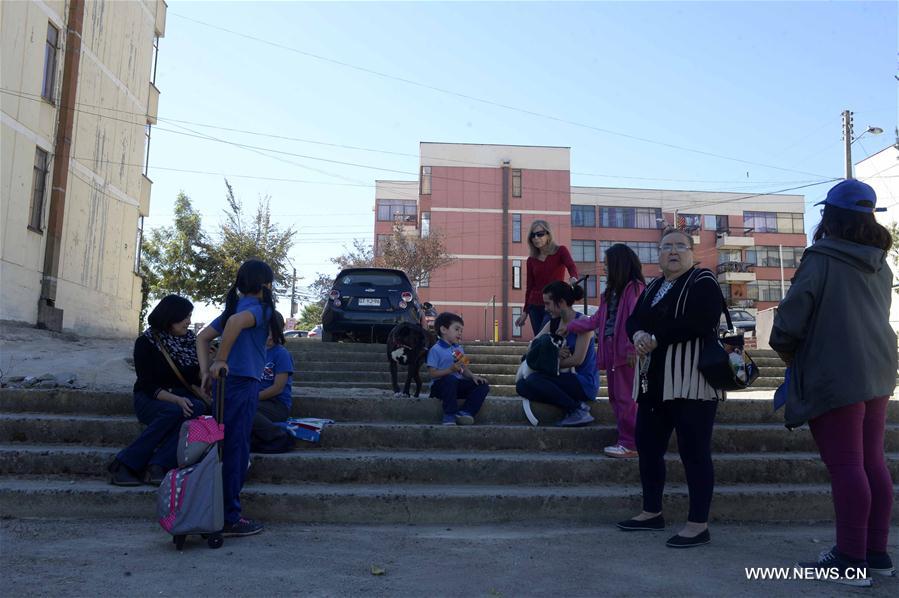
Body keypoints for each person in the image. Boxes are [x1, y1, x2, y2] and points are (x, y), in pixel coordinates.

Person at [769, 179, 896, 585]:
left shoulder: (821, 257)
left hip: (835, 374)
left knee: (846, 467)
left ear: (830, 215)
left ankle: (849, 560)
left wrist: (789, 351)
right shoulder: (880, 262)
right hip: (877, 371)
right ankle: (876, 555)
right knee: (873, 463)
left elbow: (789, 322)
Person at [620, 228, 723, 549]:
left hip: (692, 381)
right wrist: (636, 334)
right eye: (667, 247)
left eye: (681, 246)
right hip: (654, 381)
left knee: (694, 452)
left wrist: (656, 337)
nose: (673, 251)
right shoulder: (653, 286)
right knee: (648, 448)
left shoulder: (703, 281)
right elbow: (633, 319)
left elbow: (702, 320)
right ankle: (652, 512)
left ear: (693, 253)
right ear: (659, 255)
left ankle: (697, 524)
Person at [197, 259, 278, 538]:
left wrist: (206, 371)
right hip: (242, 384)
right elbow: (234, 324)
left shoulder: (234, 307)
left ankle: (210, 509)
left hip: (224, 385)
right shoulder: (261, 310)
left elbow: (202, 337)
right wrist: (220, 360)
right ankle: (230, 517)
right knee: (235, 449)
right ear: (265, 284)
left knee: (218, 444)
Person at [109, 295, 209, 486]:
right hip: (151, 398)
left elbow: (193, 377)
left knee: (198, 410)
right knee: (174, 411)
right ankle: (125, 464)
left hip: (183, 396)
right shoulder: (146, 343)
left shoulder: (191, 342)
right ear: (170, 317)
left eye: (189, 316)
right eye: (185, 317)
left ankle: (157, 464)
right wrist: (176, 400)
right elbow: (147, 384)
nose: (189, 322)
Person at [562, 244, 645, 455]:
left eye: (607, 264)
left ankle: (631, 443)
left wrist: (632, 349)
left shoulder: (634, 288)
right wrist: (570, 326)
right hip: (610, 352)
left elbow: (636, 320)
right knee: (615, 397)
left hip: (627, 353)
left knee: (626, 398)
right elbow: (596, 320)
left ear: (619, 264)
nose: (604, 268)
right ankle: (625, 439)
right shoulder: (609, 293)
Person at [516, 281, 599, 427]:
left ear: (561, 302)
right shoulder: (553, 323)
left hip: (583, 381)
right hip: (560, 376)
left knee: (534, 380)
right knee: (522, 385)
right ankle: (571, 403)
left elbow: (577, 360)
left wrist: (549, 361)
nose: (545, 308)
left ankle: (577, 410)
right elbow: (533, 346)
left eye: (548, 304)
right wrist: (553, 353)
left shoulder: (583, 323)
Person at [515, 220, 580, 336]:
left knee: (545, 336)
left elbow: (571, 265)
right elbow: (529, 288)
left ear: (548, 235)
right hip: (535, 307)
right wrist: (525, 312)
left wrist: (574, 278)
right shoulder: (531, 260)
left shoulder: (560, 251)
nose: (536, 238)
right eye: (532, 235)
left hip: (554, 304)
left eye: (540, 234)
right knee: (540, 340)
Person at [427, 312, 490, 426]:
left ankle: (465, 412)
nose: (460, 333)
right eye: (457, 329)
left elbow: (463, 368)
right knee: (450, 379)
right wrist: (450, 370)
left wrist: (473, 376)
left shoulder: (459, 349)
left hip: (456, 385)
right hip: (440, 387)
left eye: (461, 330)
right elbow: (432, 374)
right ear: (444, 330)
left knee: (483, 385)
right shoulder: (435, 350)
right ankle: (449, 415)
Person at [251, 311, 295, 453]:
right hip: (257, 401)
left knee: (244, 410)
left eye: (274, 332)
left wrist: (250, 398)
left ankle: (279, 436)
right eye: (265, 332)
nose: (269, 337)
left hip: (277, 405)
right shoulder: (254, 352)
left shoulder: (281, 354)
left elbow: (277, 388)